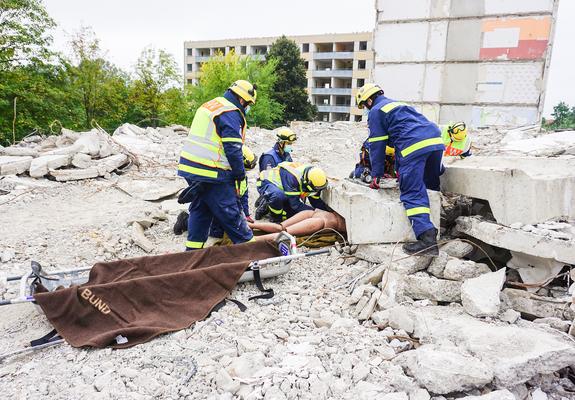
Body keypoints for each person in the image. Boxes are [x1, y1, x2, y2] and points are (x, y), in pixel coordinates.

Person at [356, 83, 444, 255]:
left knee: (411, 191)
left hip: (412, 145)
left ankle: (427, 240)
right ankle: (440, 223)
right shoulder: (398, 105)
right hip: (435, 141)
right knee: (430, 185)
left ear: (369, 99)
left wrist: (377, 174)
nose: (365, 109)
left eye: (364, 105)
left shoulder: (375, 111)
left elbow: (377, 144)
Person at [176, 80, 257, 250]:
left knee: (201, 209)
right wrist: (240, 176)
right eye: (248, 104)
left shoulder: (211, 105)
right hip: (212, 171)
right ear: (242, 100)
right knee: (230, 213)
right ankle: (252, 253)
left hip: (191, 168)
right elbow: (233, 148)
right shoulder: (230, 111)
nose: (247, 108)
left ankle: (193, 251)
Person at [208, 145, 257, 241]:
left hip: (227, 206)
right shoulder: (221, 178)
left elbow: (244, 196)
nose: (244, 172)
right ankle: (185, 221)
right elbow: (221, 204)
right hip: (216, 208)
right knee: (217, 232)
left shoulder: (242, 177)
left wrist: (246, 215)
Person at [255, 162, 329, 223]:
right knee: (278, 197)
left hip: (285, 188)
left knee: (293, 214)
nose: (317, 191)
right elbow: (295, 205)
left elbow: (315, 201)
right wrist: (315, 212)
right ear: (307, 182)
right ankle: (274, 217)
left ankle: (267, 201)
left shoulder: (315, 177)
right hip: (266, 182)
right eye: (317, 189)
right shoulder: (293, 178)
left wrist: (327, 212)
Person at [248, 209, 346, 242]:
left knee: (280, 228)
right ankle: (252, 240)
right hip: (321, 221)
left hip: (317, 213)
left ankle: (248, 226)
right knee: (284, 233)